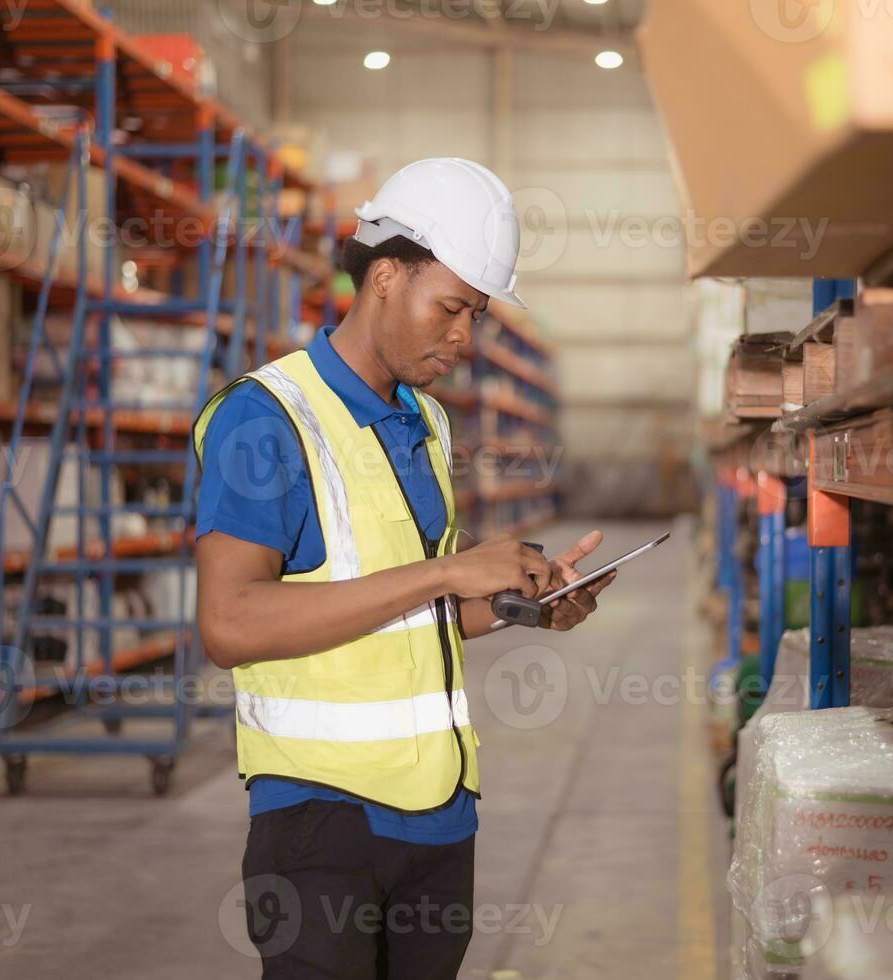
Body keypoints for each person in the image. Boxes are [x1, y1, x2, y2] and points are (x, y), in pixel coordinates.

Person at [192, 157, 612, 979]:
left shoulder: (426, 422)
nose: (464, 337)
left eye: (476, 315)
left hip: (441, 820)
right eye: (450, 307)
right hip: (321, 826)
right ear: (385, 275)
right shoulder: (265, 418)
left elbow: (421, 619)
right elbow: (229, 623)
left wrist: (528, 604)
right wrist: (445, 574)